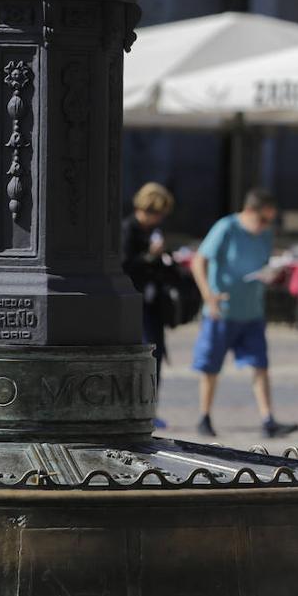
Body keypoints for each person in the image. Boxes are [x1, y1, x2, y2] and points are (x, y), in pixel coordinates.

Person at [189, 188, 298, 439]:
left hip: (252, 311)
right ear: (248, 211)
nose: (265, 225)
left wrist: (270, 274)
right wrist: (207, 294)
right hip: (222, 310)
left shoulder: (265, 234)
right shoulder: (225, 228)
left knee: (260, 365)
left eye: (269, 220)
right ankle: (204, 417)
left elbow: (263, 263)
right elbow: (199, 260)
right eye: (262, 219)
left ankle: (268, 420)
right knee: (210, 366)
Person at [121, 182, 175, 430]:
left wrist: (164, 258)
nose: (158, 219)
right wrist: (149, 256)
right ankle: (135, 409)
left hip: (153, 304)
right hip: (134, 304)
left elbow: (162, 267)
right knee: (141, 355)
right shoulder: (127, 230)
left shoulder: (155, 232)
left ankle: (151, 408)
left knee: (156, 355)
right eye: (157, 213)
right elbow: (125, 266)